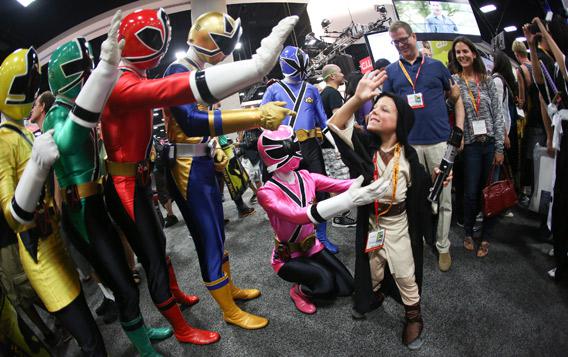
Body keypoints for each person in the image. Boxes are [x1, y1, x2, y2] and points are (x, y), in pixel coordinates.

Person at [44, 13, 174, 356]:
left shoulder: (71, 108)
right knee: (124, 286)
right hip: (81, 213)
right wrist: (100, 77)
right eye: (79, 69)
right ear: (63, 74)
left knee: (127, 279)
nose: (85, 75)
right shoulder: (58, 115)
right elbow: (69, 140)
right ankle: (143, 348)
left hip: (95, 205)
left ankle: (142, 334)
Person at [163, 11, 297, 330]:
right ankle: (228, 311)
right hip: (185, 163)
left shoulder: (195, 69)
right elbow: (190, 122)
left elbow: (200, 123)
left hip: (200, 158)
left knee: (218, 233)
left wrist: (218, 148)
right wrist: (254, 116)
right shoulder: (178, 70)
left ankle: (229, 291)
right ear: (213, 41)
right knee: (208, 235)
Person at [329, 69, 450, 349]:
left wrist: (436, 178)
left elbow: (422, 195)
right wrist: (358, 99)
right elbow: (335, 127)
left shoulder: (409, 159)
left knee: (406, 274)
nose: (375, 112)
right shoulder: (364, 150)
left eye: (385, 109)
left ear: (401, 121)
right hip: (372, 225)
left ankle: (413, 317)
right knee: (374, 269)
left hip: (398, 227)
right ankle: (373, 295)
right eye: (374, 107)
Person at [0, 47, 107, 356]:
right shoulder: (5, 141)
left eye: (32, 85)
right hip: (39, 251)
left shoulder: (21, 133)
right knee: (89, 340)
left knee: (89, 328)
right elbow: (13, 217)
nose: (30, 93)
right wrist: (35, 167)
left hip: (54, 240)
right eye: (24, 85)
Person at [256, 125, 389, 314]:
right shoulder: (267, 192)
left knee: (346, 287)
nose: (292, 151)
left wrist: (373, 179)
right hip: (287, 257)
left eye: (293, 145)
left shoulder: (306, 177)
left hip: (312, 246)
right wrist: (347, 201)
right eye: (285, 148)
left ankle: (314, 273)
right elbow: (298, 215)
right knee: (325, 286)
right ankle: (298, 291)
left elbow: (343, 184)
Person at [383, 21, 464, 272]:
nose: (400, 45)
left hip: (440, 142)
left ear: (413, 36)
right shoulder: (392, 72)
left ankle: (443, 245)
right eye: (395, 42)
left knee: (445, 196)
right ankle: (416, 241)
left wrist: (458, 132)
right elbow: (388, 106)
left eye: (403, 39)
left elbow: (456, 96)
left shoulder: (436, 66)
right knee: (414, 197)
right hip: (410, 146)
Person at [261, 46, 340, 253]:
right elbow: (263, 121)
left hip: (310, 146)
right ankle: (291, 240)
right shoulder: (273, 90)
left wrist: (338, 145)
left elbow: (324, 122)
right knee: (287, 195)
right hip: (285, 148)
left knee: (320, 190)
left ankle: (320, 235)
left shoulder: (312, 89)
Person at [523, 16, 568, 283]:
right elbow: (541, 86)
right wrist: (532, 45)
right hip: (564, 147)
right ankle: (561, 258)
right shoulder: (556, 75)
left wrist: (542, 30)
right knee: (560, 202)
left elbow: (563, 63)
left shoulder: (562, 64)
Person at [451, 36, 505, 258]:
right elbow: (450, 108)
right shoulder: (455, 80)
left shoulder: (487, 80)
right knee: (471, 193)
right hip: (471, 146)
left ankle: (486, 237)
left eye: (465, 51)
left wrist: (500, 147)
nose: (462, 55)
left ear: (474, 53)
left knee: (489, 192)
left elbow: (498, 116)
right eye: (458, 52)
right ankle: (468, 232)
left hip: (490, 144)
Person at [512, 40, 550, 206]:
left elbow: (522, 100)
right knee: (541, 159)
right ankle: (540, 194)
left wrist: (517, 102)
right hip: (545, 118)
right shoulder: (538, 65)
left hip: (531, 118)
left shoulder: (521, 70)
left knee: (529, 158)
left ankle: (529, 196)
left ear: (515, 53)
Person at [492, 50, 520, 196]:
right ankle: (496, 201)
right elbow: (498, 111)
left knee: (500, 167)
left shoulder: (497, 80)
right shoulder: (500, 80)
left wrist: (504, 135)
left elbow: (499, 111)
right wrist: (504, 135)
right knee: (499, 167)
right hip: (505, 131)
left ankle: (499, 199)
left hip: (504, 131)